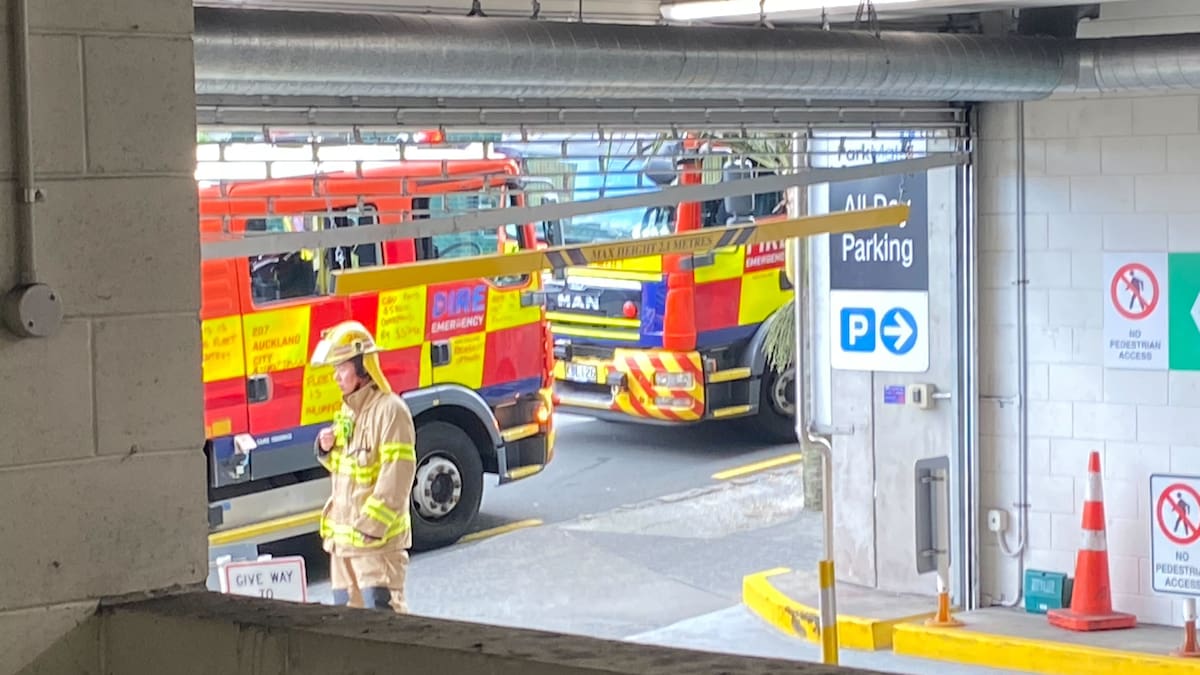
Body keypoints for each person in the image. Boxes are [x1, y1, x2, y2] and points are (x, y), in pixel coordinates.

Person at [309, 320, 417, 613]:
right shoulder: (348, 411)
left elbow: (397, 474)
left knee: (386, 629)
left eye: (341, 367)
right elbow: (347, 470)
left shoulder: (391, 410)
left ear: (363, 366)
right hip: (343, 550)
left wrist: (372, 527)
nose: (335, 376)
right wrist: (326, 449)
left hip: (376, 549)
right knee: (350, 636)